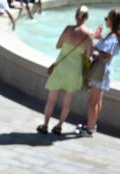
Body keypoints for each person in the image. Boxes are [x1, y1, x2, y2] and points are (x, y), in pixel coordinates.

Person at [36, 5, 91, 135]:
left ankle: (45, 125)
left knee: (51, 99)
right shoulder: (89, 35)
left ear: (75, 15)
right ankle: (59, 126)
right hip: (75, 69)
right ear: (86, 18)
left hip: (61, 66)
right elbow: (88, 56)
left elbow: (58, 45)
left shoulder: (68, 29)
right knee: (67, 100)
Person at [77, 8, 120, 137]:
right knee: (97, 100)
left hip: (100, 70)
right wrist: (100, 38)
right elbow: (107, 51)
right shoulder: (114, 36)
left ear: (112, 20)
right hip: (104, 70)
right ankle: (92, 125)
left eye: (106, 18)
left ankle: (89, 128)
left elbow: (105, 54)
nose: (105, 20)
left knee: (93, 101)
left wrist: (92, 44)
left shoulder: (113, 37)